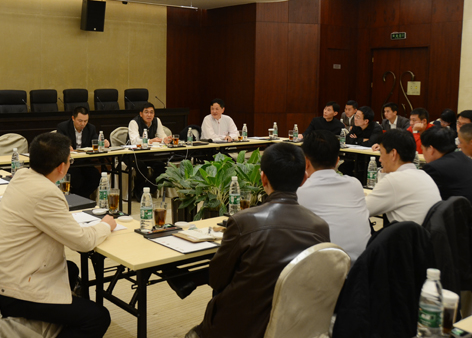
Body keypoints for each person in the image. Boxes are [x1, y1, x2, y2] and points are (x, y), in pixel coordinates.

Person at [188, 143, 329, 338]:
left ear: (263, 178)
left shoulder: (243, 221)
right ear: (304, 178)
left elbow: (216, 279)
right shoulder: (320, 227)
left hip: (242, 327)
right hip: (294, 324)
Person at [0, 133, 116, 338]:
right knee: (97, 317)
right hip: (12, 289)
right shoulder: (46, 193)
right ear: (61, 167)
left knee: (70, 270)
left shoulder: (21, 176)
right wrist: (106, 226)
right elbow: (84, 243)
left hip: (0, 273)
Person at [298, 130, 370, 263]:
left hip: (328, 270)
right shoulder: (355, 185)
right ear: (337, 161)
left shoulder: (301, 192)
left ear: (306, 162)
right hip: (362, 268)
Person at [365, 129, 440, 225]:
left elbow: (362, 209)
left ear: (393, 154)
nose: (380, 159)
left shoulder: (394, 180)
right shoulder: (424, 175)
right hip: (426, 232)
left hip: (408, 234)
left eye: (381, 153)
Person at [56, 106, 109, 198]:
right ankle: (78, 198)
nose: (83, 124)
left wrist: (104, 143)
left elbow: (96, 141)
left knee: (95, 176)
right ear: (73, 118)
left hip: (84, 162)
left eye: (85, 121)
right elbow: (59, 142)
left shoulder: (90, 128)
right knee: (76, 178)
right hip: (70, 163)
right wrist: (66, 146)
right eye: (80, 121)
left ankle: (82, 197)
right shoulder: (63, 127)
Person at [128, 103, 171, 199]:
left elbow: (162, 136)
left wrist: (166, 140)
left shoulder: (157, 121)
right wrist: (150, 141)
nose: (149, 115)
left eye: (151, 112)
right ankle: (138, 192)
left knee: (161, 167)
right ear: (141, 114)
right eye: (146, 112)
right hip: (132, 154)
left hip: (148, 154)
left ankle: (147, 189)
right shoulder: (134, 122)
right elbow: (134, 141)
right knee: (141, 167)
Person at [420, 126, 472, 203]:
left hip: (460, 209)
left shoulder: (433, 168)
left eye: (423, 149)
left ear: (431, 149)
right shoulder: (464, 157)